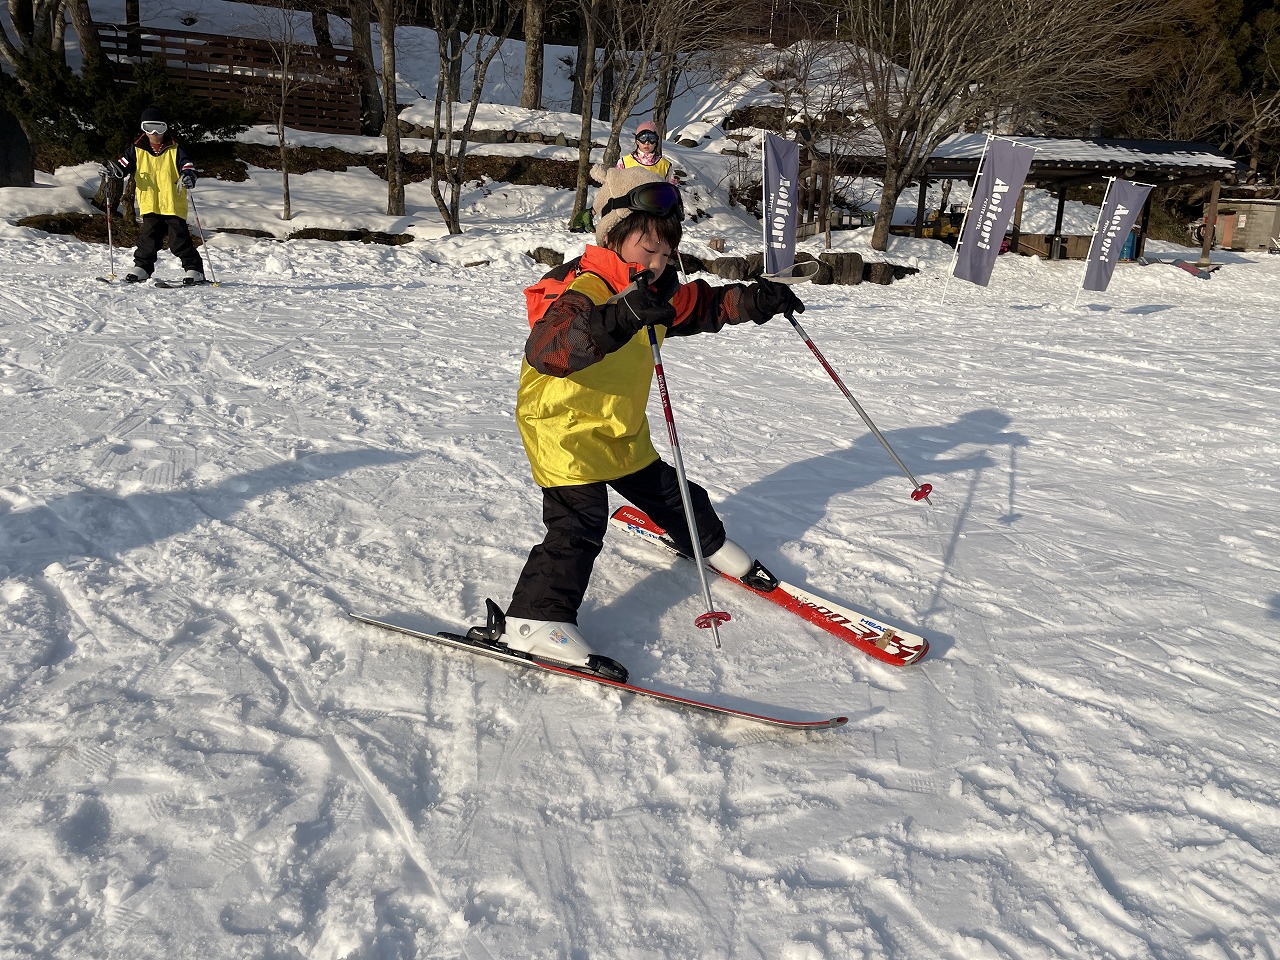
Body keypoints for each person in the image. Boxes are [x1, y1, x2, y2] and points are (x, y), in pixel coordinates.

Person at [479, 166, 804, 675]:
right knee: (579, 524)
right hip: (562, 428)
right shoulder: (580, 286)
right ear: (612, 237)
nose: (658, 262)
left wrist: (753, 300)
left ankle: (705, 542)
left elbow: (702, 306)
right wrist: (621, 316)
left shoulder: (656, 289)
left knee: (675, 495)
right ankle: (534, 619)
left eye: (666, 253)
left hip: (617, 426)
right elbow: (550, 347)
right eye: (648, 250)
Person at [105, 106, 206, 285]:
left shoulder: (175, 148)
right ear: (143, 128)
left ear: (165, 128)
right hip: (150, 203)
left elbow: (188, 166)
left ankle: (194, 269)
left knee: (179, 240)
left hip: (172, 203)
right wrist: (111, 170)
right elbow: (122, 166)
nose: (154, 133)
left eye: (159, 128)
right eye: (149, 127)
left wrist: (188, 176)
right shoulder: (136, 149)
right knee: (148, 239)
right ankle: (143, 267)